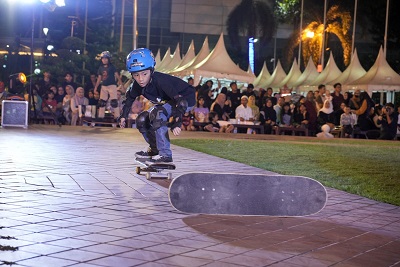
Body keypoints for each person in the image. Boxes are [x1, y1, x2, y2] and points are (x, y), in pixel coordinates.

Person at [119, 48, 196, 164]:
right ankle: (154, 149)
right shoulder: (137, 85)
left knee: (158, 114)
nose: (140, 79)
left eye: (144, 74)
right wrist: (123, 116)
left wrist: (177, 122)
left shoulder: (161, 81)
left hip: (185, 99)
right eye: (136, 75)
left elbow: (180, 102)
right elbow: (129, 99)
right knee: (142, 119)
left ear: (151, 70)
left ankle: (165, 156)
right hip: (168, 101)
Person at [94, 51, 123, 120]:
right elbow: (99, 78)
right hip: (104, 86)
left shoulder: (112, 67)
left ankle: (117, 116)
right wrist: (96, 87)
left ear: (108, 59)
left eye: (106, 58)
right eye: (103, 59)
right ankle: (101, 116)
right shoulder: (101, 68)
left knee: (114, 102)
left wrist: (121, 84)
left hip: (112, 85)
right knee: (102, 102)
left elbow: (117, 75)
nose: (104, 60)